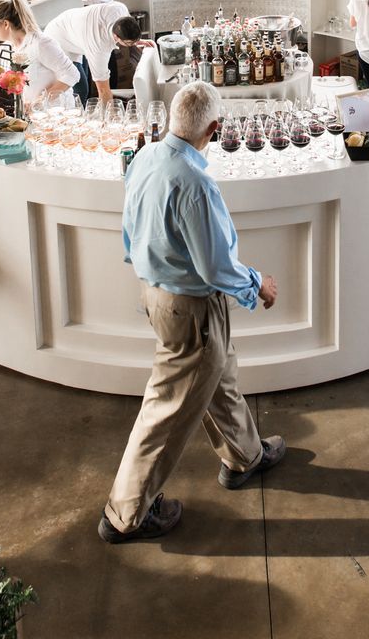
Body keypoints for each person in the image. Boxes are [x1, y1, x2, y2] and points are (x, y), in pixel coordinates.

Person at [98, 81, 284, 544]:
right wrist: (257, 283)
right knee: (166, 410)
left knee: (218, 378)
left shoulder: (144, 157)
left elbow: (129, 228)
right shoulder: (196, 183)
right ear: (214, 129)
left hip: (156, 294)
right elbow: (216, 265)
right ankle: (124, 514)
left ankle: (245, 457)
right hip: (191, 307)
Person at [44, 2, 153, 108]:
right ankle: (41, 104)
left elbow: (128, 27)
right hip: (58, 40)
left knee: (84, 81)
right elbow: (103, 90)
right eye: (129, 43)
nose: (133, 45)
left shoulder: (120, 8)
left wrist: (135, 40)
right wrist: (111, 116)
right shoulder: (99, 47)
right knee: (80, 87)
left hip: (76, 30)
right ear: (116, 37)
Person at [0, 0, 79, 106]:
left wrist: (40, 102)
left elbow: (72, 74)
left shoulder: (41, 44)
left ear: (6, 24)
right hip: (32, 115)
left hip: (57, 113)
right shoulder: (6, 48)